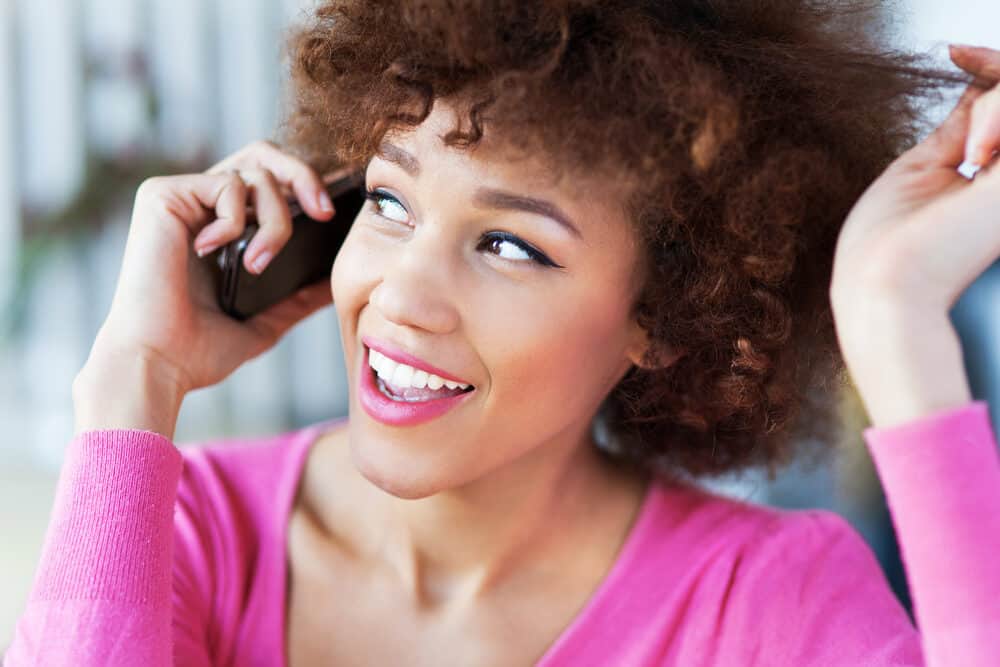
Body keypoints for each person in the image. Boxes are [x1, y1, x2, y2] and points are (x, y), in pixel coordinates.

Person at [5, 1, 1000, 665]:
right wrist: (133, 376)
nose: (404, 295)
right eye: (390, 203)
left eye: (511, 245)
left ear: (662, 316)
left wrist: (891, 314)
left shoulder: (765, 606)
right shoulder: (197, 534)